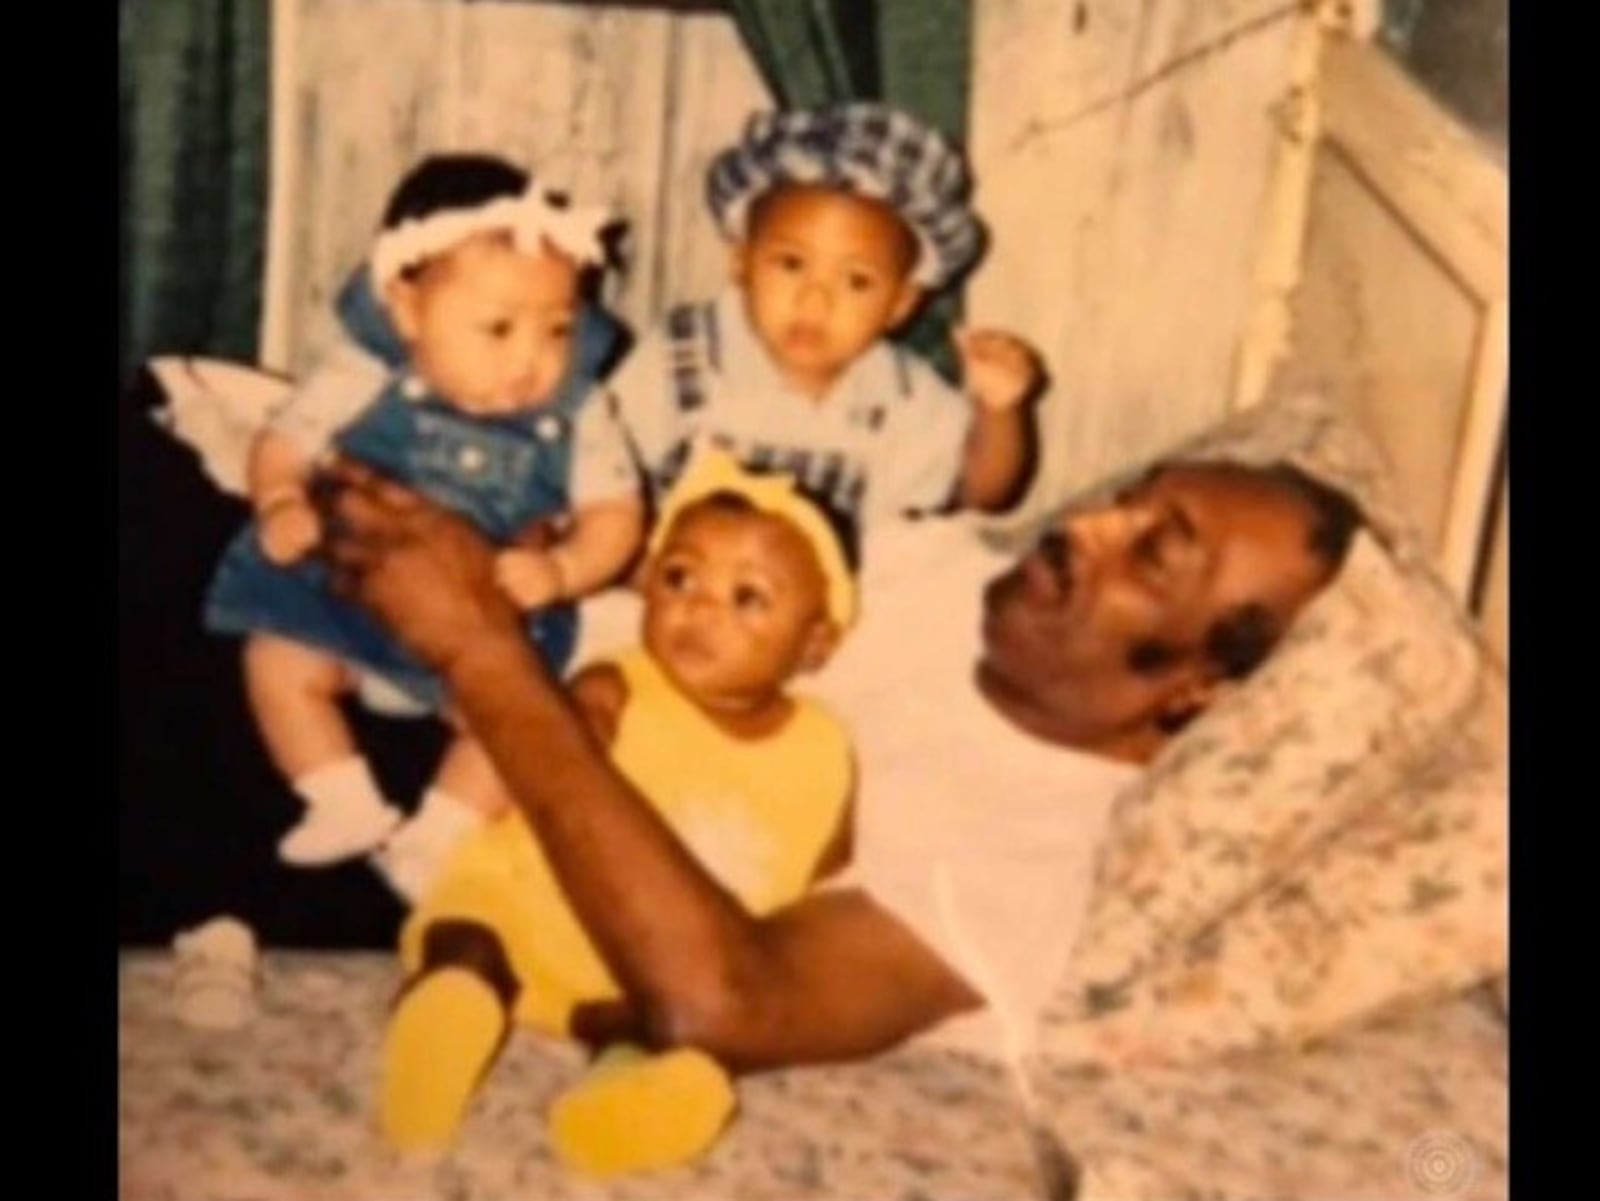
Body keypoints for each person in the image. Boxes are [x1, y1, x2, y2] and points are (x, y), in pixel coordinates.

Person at [313, 451, 1362, 1075]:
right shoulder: (939, 564)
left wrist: (476, 647)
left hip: (426, 839)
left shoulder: (1022, 856)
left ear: (1197, 688)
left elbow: (724, 1004)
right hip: (426, 681)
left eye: (1152, 551)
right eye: (1127, 498)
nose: (1083, 525)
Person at [378, 449, 860, 1172]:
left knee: (661, 1029)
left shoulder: (824, 748)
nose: (699, 605)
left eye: (748, 596)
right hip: (521, 905)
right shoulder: (618, 680)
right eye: (679, 576)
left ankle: (620, 1102)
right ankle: (448, 1013)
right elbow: (550, 752)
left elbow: (829, 876)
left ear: (815, 642)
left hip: (650, 969)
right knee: (467, 939)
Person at [201, 153, 645, 899]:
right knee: (275, 658)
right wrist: (280, 499)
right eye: (498, 328)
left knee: (518, 726)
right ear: (405, 310)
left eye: (558, 328)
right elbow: (283, 439)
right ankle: (340, 798)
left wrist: (566, 570)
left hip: (488, 623)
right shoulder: (360, 371)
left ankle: (439, 836)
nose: (532, 360)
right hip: (346, 599)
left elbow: (618, 512)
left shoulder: (582, 406)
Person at [608, 101, 1042, 529]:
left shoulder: (901, 396)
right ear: (741, 260)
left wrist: (1001, 410)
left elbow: (983, 492)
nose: (815, 301)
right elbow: (600, 476)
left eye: (856, 281)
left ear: (901, 303)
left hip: (834, 597)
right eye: (792, 264)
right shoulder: (683, 358)